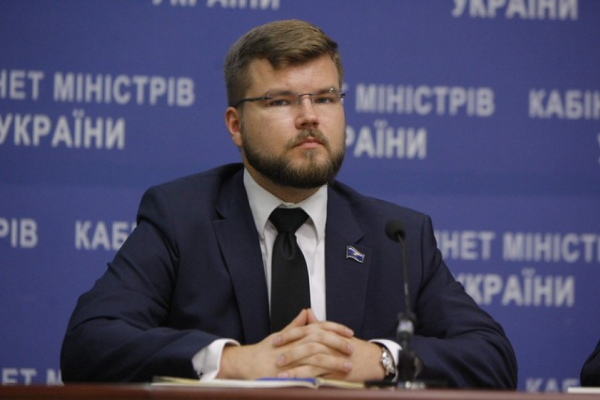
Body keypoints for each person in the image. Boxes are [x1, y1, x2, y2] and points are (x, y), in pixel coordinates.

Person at [60, 19, 517, 388]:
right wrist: (235, 361)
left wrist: (379, 359)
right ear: (236, 125)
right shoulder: (181, 217)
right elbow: (89, 344)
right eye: (281, 101)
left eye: (326, 98)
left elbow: (493, 358)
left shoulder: (397, 235)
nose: (310, 116)